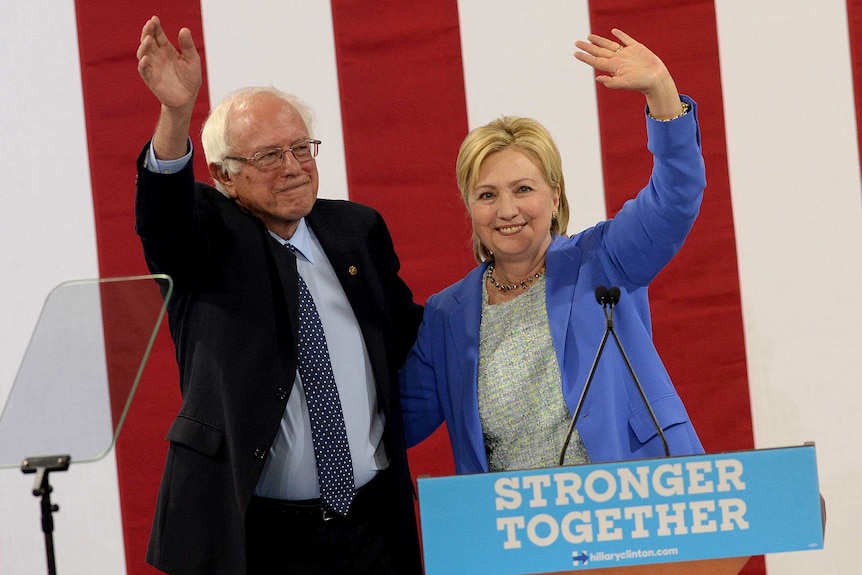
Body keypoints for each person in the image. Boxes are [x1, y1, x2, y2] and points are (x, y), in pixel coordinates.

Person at [135, 15, 423, 575]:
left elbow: (408, 336)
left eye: (301, 148)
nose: (293, 168)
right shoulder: (210, 243)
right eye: (269, 156)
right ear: (224, 174)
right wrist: (176, 114)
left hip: (372, 526)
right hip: (256, 533)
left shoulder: (358, 230)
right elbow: (163, 220)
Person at [400, 29, 706, 474]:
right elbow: (388, 424)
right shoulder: (447, 316)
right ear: (469, 207)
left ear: (555, 196)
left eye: (523, 189)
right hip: (522, 530)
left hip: (637, 508)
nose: (507, 210)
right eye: (486, 195)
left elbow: (676, 195)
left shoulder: (604, 259)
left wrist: (660, 90)